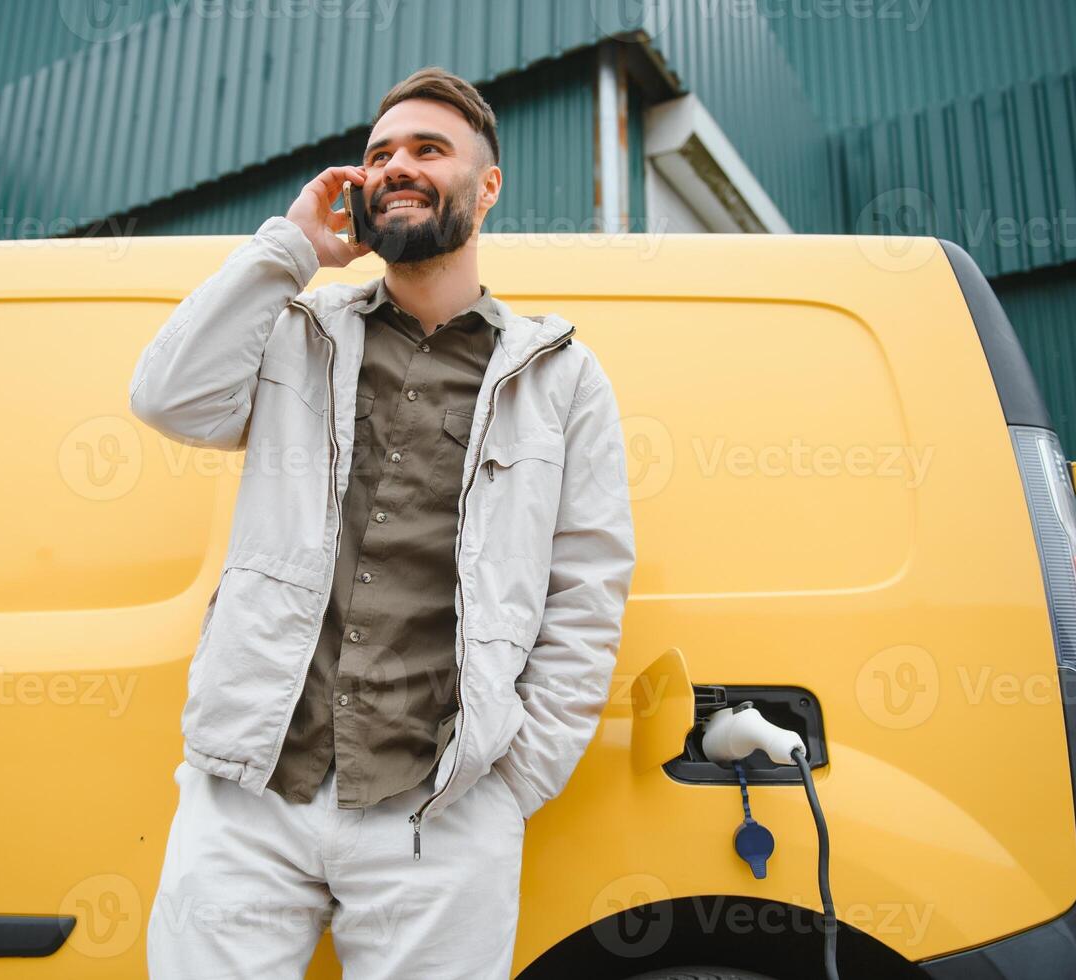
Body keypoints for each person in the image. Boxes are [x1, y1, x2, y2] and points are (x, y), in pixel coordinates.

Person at [131, 65, 636, 980]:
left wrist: (511, 785)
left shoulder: (559, 377)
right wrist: (288, 246)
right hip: (251, 794)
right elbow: (169, 399)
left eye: (428, 150)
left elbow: (587, 588)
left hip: (436, 809)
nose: (396, 164)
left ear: (486, 187)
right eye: (379, 153)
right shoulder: (296, 329)